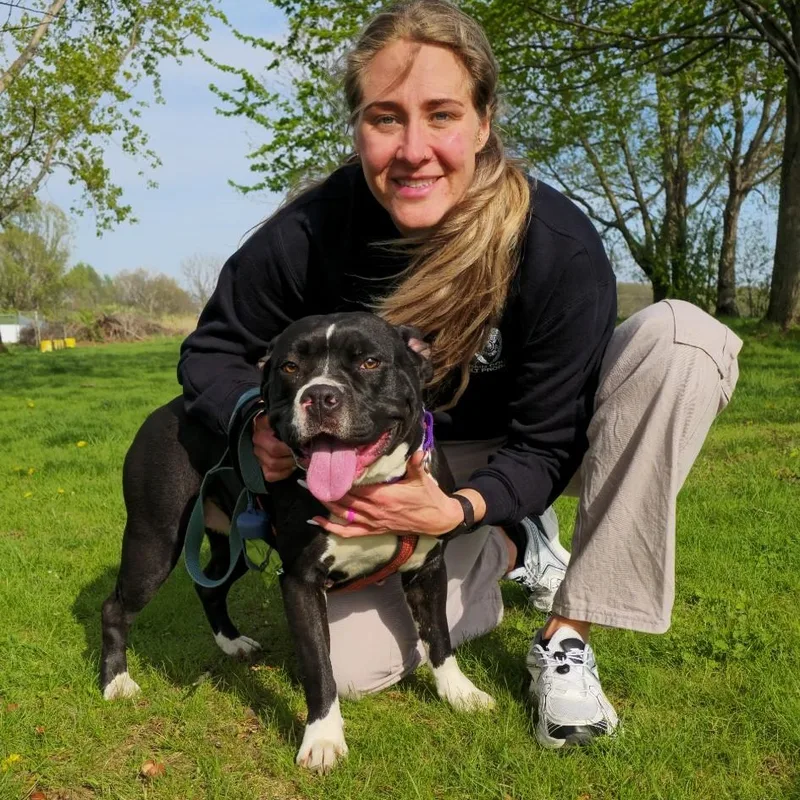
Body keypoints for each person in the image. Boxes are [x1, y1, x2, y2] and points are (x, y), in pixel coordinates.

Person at [178, 0, 741, 749]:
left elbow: (546, 444)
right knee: (348, 669)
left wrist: (459, 507)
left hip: (540, 445)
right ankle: (513, 544)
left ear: (483, 123)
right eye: (385, 118)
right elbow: (212, 350)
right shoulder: (311, 230)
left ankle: (566, 632)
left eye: (441, 114)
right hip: (384, 456)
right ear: (357, 128)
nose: (414, 148)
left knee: (684, 340)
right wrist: (254, 413)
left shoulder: (556, 246)